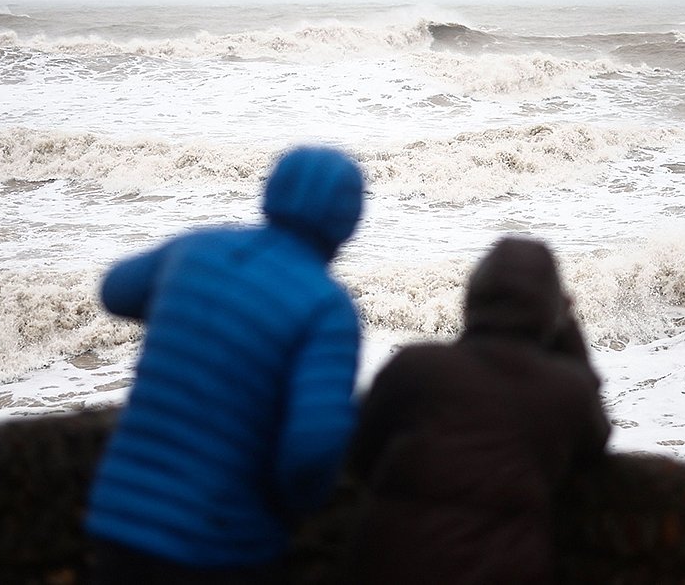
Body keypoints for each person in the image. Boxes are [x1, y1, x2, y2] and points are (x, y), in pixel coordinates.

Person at [85, 145, 366, 584]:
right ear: (347, 223)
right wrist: (294, 508)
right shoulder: (326, 308)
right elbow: (313, 447)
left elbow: (116, 291)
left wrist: (191, 313)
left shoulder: (198, 251)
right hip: (223, 541)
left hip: (120, 518)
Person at [346, 236, 611, 585]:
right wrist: (567, 326)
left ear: (472, 297)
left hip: (388, 565)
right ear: (549, 311)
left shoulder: (414, 368)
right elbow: (596, 443)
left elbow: (359, 458)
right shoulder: (564, 393)